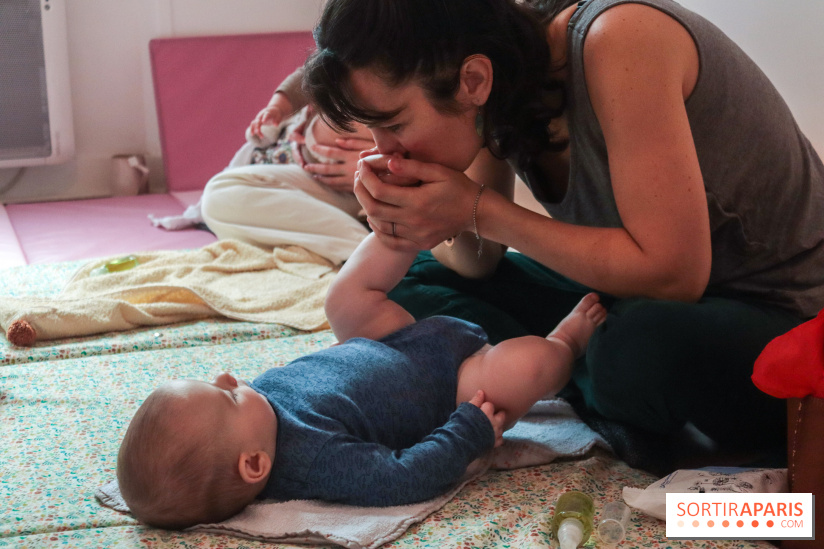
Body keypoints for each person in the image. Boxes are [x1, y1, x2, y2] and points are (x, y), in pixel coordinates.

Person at [301, 0, 824, 463]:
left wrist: (475, 208)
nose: (385, 149)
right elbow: (479, 260)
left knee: (637, 349)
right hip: (630, 293)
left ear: (473, 80)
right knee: (409, 283)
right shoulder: (493, 78)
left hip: (781, 315)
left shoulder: (622, 38)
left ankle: (571, 374)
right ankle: (568, 369)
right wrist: (408, 225)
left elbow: (676, 275)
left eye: (393, 124)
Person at [115, 232, 607, 529]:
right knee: (524, 370)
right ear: (254, 465)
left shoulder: (256, 412)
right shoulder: (315, 461)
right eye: (227, 398)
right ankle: (568, 341)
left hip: (385, 341)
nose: (227, 376)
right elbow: (402, 476)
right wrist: (468, 430)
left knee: (341, 300)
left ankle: (399, 230)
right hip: (451, 384)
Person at [199, 68, 375, 264]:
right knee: (219, 197)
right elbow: (311, 73)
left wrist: (378, 168)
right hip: (316, 182)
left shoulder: (406, 70)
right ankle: (359, 252)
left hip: (379, 194)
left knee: (220, 197)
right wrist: (278, 107)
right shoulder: (343, 61)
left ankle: (365, 255)